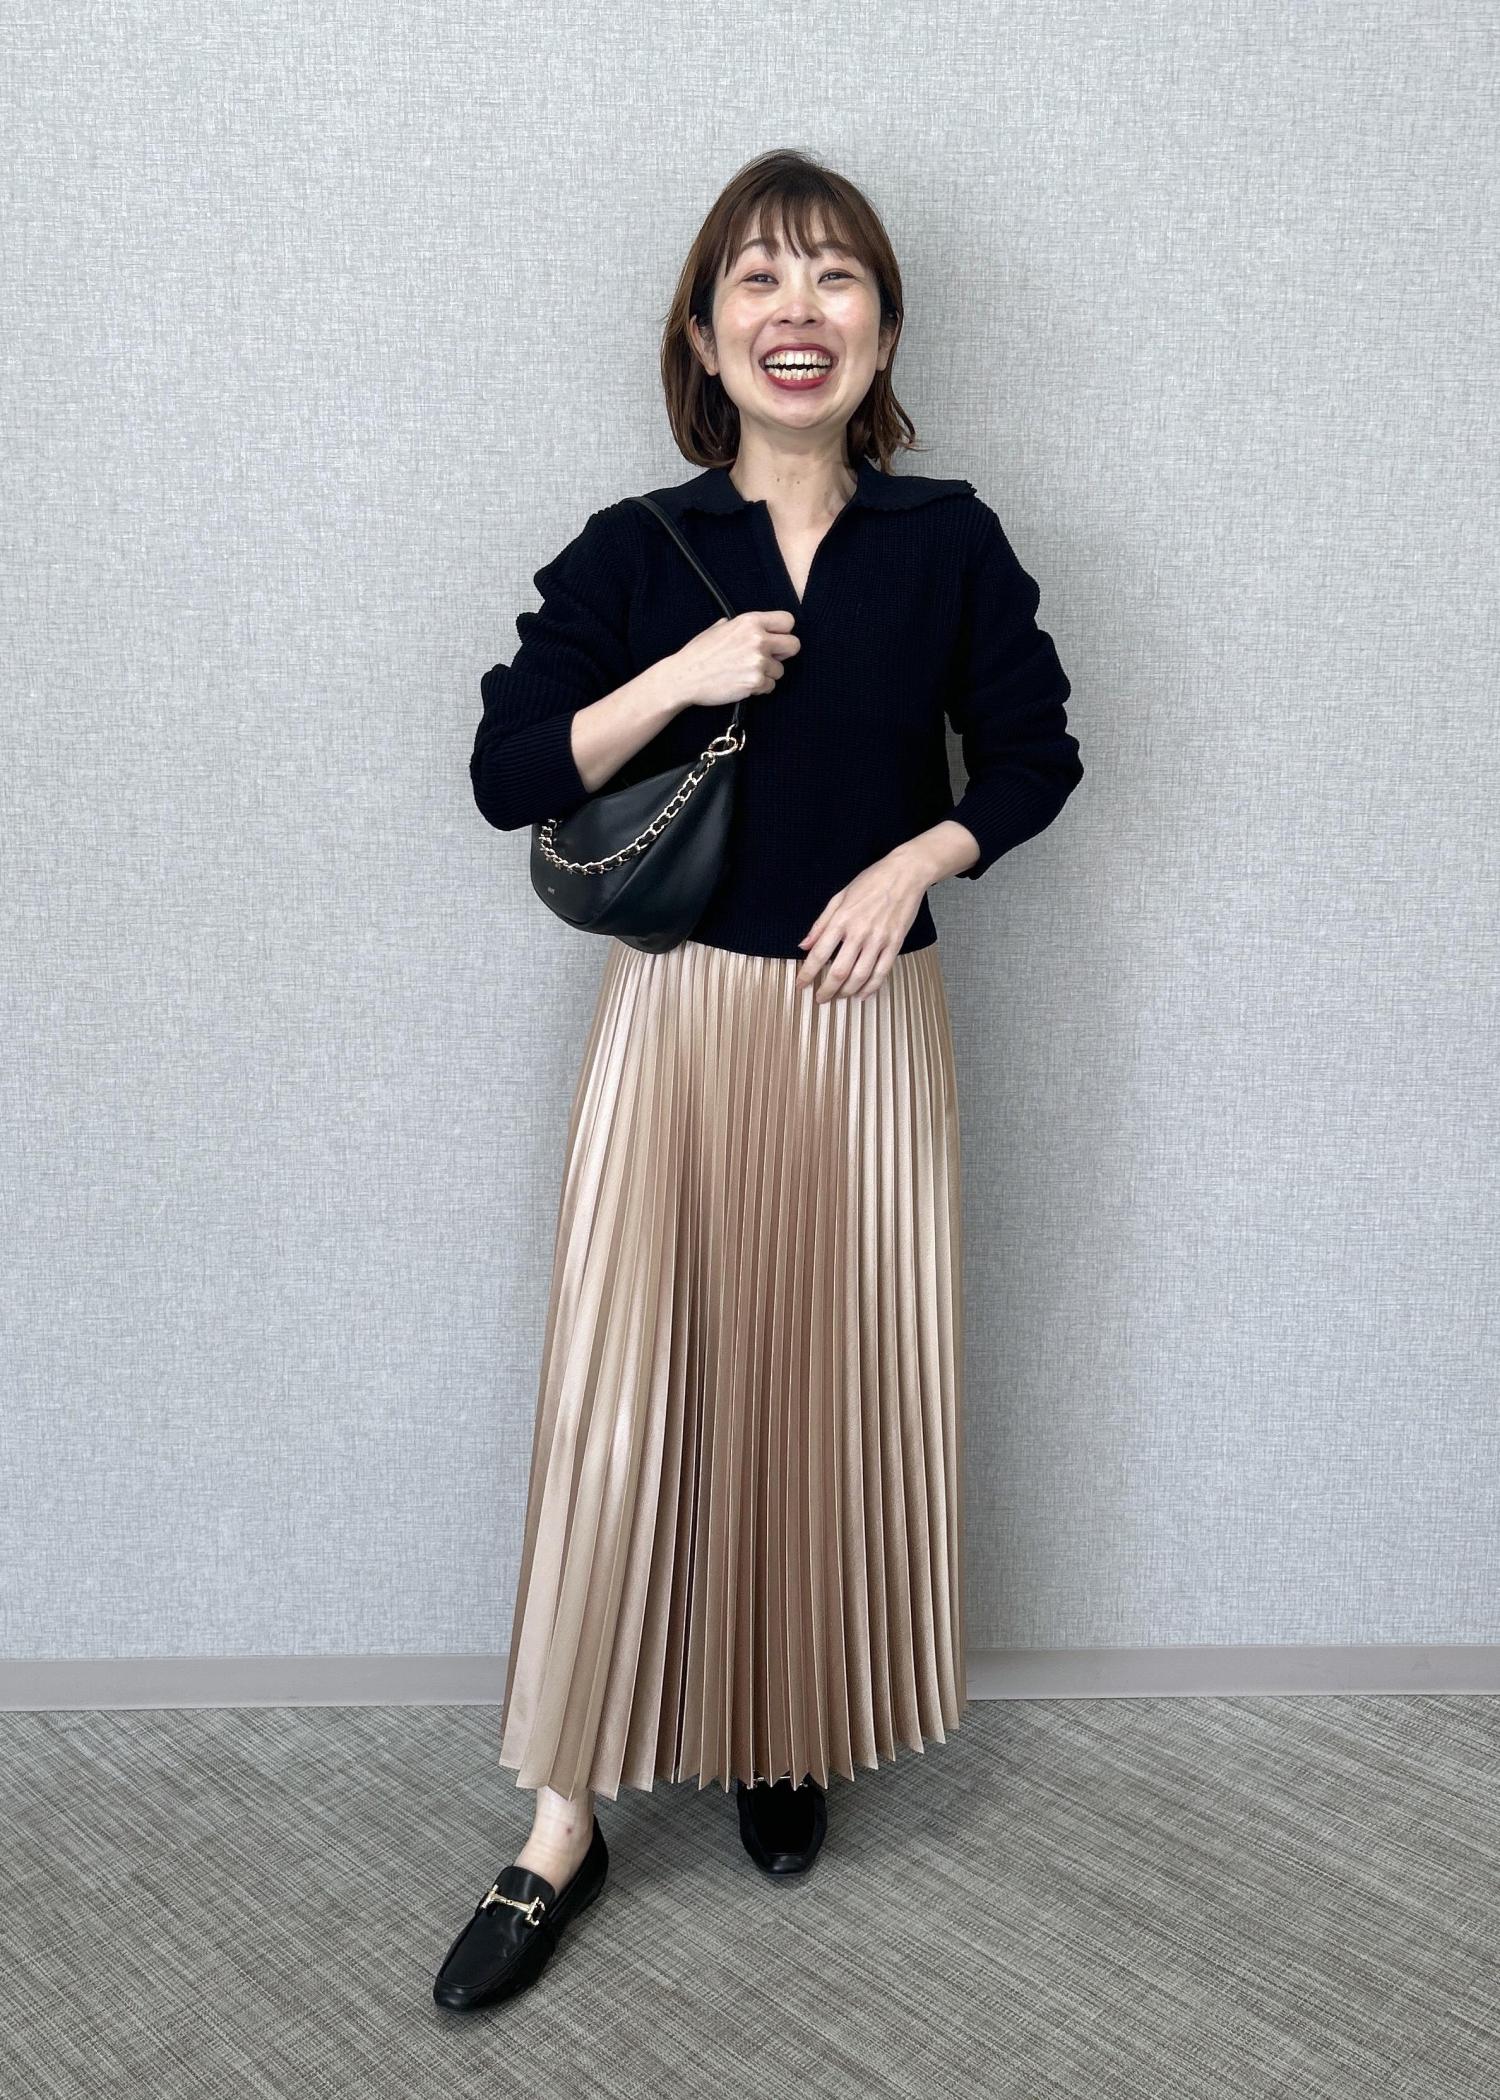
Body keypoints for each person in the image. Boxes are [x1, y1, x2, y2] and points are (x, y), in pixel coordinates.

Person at [434, 147, 1083, 2013]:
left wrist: (917, 861)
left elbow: (1034, 755)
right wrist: (683, 676)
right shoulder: (639, 547)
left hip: (871, 1031)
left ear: (881, 327)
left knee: (827, 1390)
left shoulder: (947, 539)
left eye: (835, 277)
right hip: (679, 1027)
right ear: (705, 337)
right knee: (626, 1404)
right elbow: (507, 771)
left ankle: (782, 1729)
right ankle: (559, 1822)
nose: (798, 310)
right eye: (758, 280)